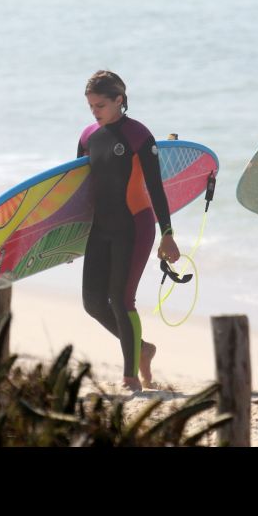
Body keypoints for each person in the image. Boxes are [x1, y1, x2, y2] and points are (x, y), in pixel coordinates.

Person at [77, 70, 180, 392]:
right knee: (93, 303)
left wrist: (167, 233)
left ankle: (130, 376)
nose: (95, 112)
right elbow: (79, 192)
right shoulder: (87, 137)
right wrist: (69, 241)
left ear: (119, 100)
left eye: (101, 105)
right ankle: (143, 348)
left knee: (122, 299)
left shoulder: (138, 136)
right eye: (91, 106)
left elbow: (156, 187)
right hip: (99, 228)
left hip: (133, 225)